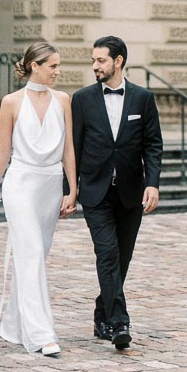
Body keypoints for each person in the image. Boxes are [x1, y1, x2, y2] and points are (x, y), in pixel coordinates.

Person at [0, 40, 77, 357]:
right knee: (31, 251)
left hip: (50, 186)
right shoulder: (10, 102)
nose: (57, 72)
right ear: (35, 66)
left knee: (33, 256)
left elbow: (68, 149)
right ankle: (40, 335)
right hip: (20, 183)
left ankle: (13, 326)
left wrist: (72, 189)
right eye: (53, 66)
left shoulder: (63, 100)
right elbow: (3, 150)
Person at [71, 36, 162, 350]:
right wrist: (70, 190)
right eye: (94, 60)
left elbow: (153, 145)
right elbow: (74, 148)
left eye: (101, 60)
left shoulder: (143, 99)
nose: (95, 66)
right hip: (95, 192)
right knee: (107, 254)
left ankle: (102, 311)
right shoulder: (81, 99)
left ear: (118, 61)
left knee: (121, 258)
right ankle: (118, 322)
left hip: (130, 192)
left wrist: (152, 183)